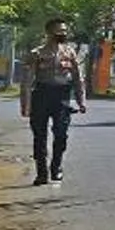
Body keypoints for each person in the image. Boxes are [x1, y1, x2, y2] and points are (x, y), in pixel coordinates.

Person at [20, 17, 85, 187]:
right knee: (40, 136)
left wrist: (81, 100)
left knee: (61, 134)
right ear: (48, 33)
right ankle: (42, 173)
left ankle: (56, 167)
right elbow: (27, 82)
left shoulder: (70, 53)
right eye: (59, 31)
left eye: (64, 31)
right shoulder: (37, 54)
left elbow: (78, 79)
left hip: (62, 97)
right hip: (41, 95)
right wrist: (25, 106)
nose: (62, 34)